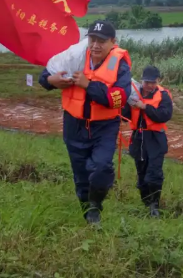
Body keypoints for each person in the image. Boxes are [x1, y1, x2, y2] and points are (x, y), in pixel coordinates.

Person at [38, 20, 131, 225]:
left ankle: (96, 206)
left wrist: (88, 85)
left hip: (104, 127)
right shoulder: (76, 56)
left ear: (112, 42)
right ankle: (86, 214)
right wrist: (50, 81)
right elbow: (45, 76)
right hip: (74, 125)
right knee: (80, 174)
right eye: (92, 39)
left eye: (102, 41)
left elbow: (120, 97)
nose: (96, 45)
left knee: (100, 167)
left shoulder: (119, 64)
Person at [121, 65, 173, 218]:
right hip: (138, 137)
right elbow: (125, 114)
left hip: (156, 138)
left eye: (152, 82)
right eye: (146, 82)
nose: (149, 85)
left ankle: (154, 205)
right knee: (141, 172)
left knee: (154, 172)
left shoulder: (164, 95)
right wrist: (123, 104)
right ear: (142, 80)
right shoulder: (133, 93)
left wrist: (144, 107)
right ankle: (145, 201)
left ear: (158, 81)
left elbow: (164, 115)